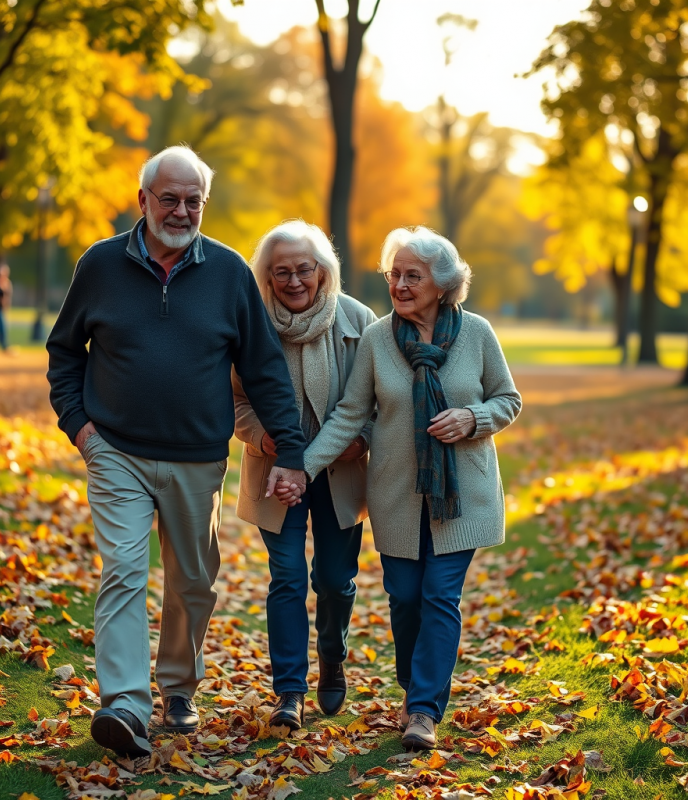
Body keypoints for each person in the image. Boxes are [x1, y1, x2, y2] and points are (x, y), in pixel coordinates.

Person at [46, 145, 308, 760]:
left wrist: (291, 450)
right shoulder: (101, 266)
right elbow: (65, 353)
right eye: (171, 199)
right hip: (116, 451)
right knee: (124, 572)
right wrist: (82, 430)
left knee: (193, 582)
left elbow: (265, 369)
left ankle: (178, 688)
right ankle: (126, 707)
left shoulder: (229, 272)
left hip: (197, 458)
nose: (183, 211)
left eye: (194, 201)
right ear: (143, 201)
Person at [276, 226, 521, 750]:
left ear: (443, 283)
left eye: (414, 275)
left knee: (439, 595)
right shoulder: (377, 337)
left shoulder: (476, 334)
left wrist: (473, 418)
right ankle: (414, 688)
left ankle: (425, 710)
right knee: (406, 597)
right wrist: (303, 467)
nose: (401, 285)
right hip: (397, 495)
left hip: (463, 495)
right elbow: (349, 414)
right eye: (395, 274)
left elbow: (507, 399)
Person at [233, 220, 377, 731]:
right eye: (281, 273)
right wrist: (262, 438)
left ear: (323, 272)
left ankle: (333, 659)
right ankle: (289, 690)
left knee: (335, 581)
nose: (294, 281)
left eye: (304, 270)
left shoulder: (359, 320)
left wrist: (362, 441)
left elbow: (383, 401)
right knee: (288, 578)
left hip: (340, 472)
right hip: (278, 475)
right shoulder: (252, 324)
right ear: (267, 279)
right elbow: (235, 401)